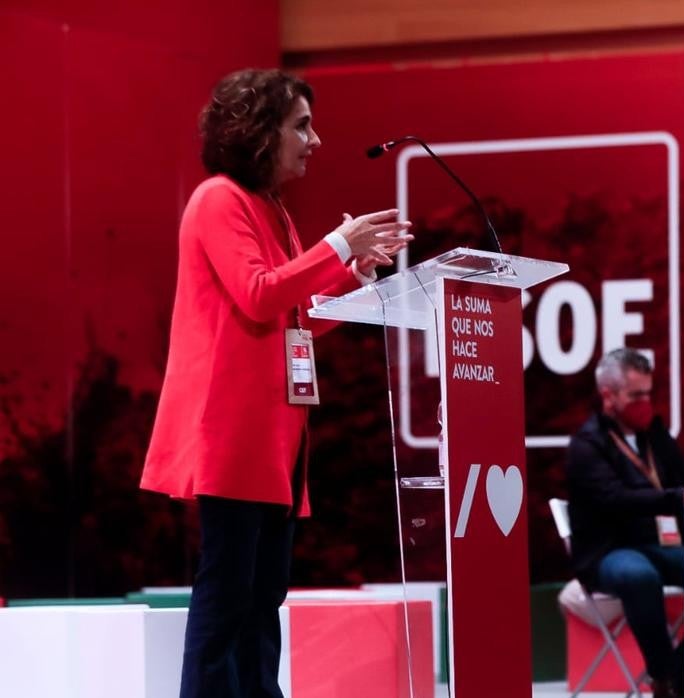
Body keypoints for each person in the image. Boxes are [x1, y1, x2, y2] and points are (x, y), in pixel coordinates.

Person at [140, 69, 412, 698]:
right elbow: (260, 297)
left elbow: (296, 319)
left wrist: (353, 275)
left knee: (262, 597)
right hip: (234, 431)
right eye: (301, 126)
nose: (314, 140)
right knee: (230, 592)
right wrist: (336, 245)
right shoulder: (218, 200)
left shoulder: (271, 209)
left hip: (276, 435)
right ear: (259, 132)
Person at [566, 348, 684, 698]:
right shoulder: (587, 445)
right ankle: (664, 680)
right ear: (608, 395)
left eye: (648, 393)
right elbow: (616, 500)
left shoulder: (655, 436)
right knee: (639, 576)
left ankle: (683, 666)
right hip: (608, 554)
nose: (645, 402)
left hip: (660, 547)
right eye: (635, 396)